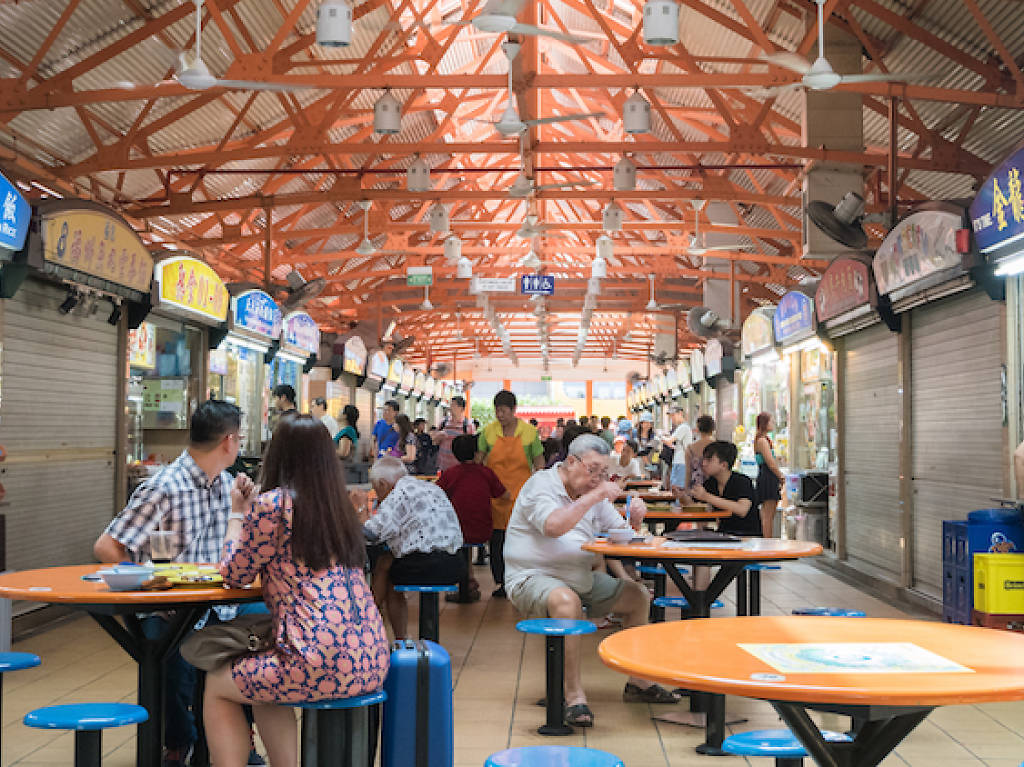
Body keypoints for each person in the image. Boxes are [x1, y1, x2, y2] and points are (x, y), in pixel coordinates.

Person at [205, 416, 390, 767]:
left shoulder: (272, 505)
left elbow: (233, 573)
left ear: (278, 454)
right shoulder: (341, 508)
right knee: (262, 684)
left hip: (318, 659)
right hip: (371, 657)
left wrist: (237, 514)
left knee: (217, 684)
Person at [94, 401, 262, 767]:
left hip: (219, 604)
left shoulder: (229, 485)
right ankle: (181, 742)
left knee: (265, 626)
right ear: (229, 441)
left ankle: (237, 744)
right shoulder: (164, 488)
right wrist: (146, 585)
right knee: (170, 656)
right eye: (240, 438)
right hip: (172, 608)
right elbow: (107, 547)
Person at [504, 433, 680, 728]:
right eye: (593, 470)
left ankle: (639, 683)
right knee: (565, 601)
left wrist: (634, 520)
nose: (598, 478)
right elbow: (552, 526)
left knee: (636, 596)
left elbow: (622, 533)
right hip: (531, 577)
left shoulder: (591, 491)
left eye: (603, 472)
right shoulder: (541, 485)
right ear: (571, 462)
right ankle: (572, 695)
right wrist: (594, 496)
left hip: (579, 578)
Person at [363, 458, 465, 638]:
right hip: (456, 563)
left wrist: (360, 511)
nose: (377, 494)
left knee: (385, 567)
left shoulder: (397, 493)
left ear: (382, 483)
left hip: (428, 566)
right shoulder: (431, 487)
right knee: (389, 561)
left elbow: (371, 533)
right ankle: (374, 625)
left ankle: (373, 628)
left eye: (375, 488)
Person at [478, 390, 545, 598]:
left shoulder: (529, 433)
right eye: (497, 411)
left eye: (504, 411)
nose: (500, 415)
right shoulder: (487, 432)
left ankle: (521, 580)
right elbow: (479, 461)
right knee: (496, 541)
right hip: (496, 497)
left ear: (514, 410)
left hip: (521, 497)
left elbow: (539, 463)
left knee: (520, 541)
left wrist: (540, 486)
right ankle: (501, 582)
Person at [437, 434, 509, 603]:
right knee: (468, 539)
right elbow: (505, 494)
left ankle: (466, 583)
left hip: (456, 531)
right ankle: (469, 581)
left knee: (461, 539)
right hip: (483, 530)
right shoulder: (486, 472)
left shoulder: (450, 473)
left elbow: (436, 492)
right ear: (477, 452)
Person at [691, 440, 761, 536]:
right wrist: (681, 495)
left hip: (747, 536)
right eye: (704, 459)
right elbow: (692, 504)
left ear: (723, 465)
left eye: (709, 460)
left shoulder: (742, 481)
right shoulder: (711, 483)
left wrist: (706, 496)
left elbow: (742, 510)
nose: (704, 463)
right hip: (723, 534)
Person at [754, 412, 786, 538]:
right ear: (764, 423)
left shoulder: (763, 439)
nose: (773, 423)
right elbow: (770, 462)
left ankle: (767, 540)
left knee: (769, 514)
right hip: (768, 477)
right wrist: (780, 476)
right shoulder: (762, 440)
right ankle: (767, 542)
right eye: (771, 421)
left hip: (767, 476)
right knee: (768, 515)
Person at [676, 415, 715, 503]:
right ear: (713, 428)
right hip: (714, 487)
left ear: (698, 429)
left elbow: (688, 472)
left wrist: (686, 492)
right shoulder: (718, 447)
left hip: (695, 488)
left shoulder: (691, 448)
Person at [432, 395, 474, 473]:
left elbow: (471, 447)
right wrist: (439, 436)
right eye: (450, 405)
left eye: (453, 405)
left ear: (461, 408)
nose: (450, 408)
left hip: (460, 467)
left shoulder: (467, 425)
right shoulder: (443, 422)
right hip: (443, 466)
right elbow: (434, 441)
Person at [665, 408, 694, 492]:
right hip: (680, 462)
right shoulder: (682, 427)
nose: (672, 418)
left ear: (680, 413)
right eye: (671, 416)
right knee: (676, 488)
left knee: (678, 490)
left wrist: (660, 436)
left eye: (673, 415)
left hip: (681, 463)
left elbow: (669, 441)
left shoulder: (683, 427)